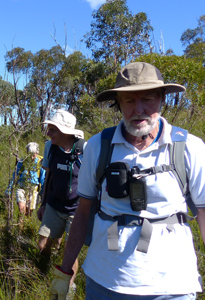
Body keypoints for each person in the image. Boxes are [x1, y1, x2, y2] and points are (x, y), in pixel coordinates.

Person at [49, 62, 205, 300]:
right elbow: (83, 212)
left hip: (171, 286)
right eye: (129, 101)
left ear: (162, 99)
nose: (138, 109)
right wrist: (65, 270)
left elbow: (203, 213)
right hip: (104, 280)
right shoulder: (98, 146)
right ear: (118, 104)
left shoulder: (189, 148)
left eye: (148, 99)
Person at [37, 109, 85, 286]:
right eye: (49, 129)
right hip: (54, 206)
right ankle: (41, 271)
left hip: (77, 210)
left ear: (66, 131)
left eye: (53, 130)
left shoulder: (83, 149)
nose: (48, 133)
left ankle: (67, 288)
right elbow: (48, 176)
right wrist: (43, 204)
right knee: (42, 244)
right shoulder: (50, 147)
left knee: (70, 252)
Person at [5, 142, 46, 216]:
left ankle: (24, 226)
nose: (31, 157)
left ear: (37, 153)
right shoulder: (22, 162)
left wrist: (43, 193)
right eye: (29, 155)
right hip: (21, 187)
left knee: (29, 213)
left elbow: (43, 179)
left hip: (33, 189)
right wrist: (9, 190)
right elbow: (15, 175)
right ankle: (20, 225)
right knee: (22, 211)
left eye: (33, 155)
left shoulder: (41, 162)